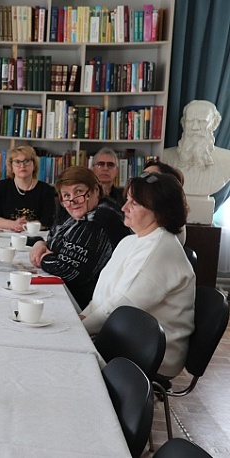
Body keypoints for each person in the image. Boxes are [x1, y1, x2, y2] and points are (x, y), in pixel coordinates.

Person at [80, 172, 195, 378]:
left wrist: (76, 328)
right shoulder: (131, 241)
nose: (124, 208)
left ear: (159, 211)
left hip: (149, 353)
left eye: (135, 203)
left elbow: (120, 308)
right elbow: (102, 297)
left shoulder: (160, 248)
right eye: (127, 200)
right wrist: (81, 318)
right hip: (122, 338)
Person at [29, 167, 131, 309]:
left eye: (79, 192)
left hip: (87, 308)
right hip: (71, 296)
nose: (72, 201)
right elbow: (54, 241)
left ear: (96, 190)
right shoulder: (80, 212)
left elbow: (68, 270)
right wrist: (41, 243)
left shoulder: (101, 219)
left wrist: (43, 258)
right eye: (66, 195)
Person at [162, 100, 230, 223]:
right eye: (190, 121)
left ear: (213, 124)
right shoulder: (165, 157)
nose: (195, 127)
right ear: (183, 123)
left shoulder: (227, 160)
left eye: (202, 122)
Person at [0, 145, 57, 231]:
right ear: (11, 167)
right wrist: (14, 225)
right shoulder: (0, 187)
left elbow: (47, 221)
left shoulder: (46, 190)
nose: (22, 165)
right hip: (4, 234)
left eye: (26, 161)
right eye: (17, 162)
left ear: (34, 165)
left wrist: (27, 226)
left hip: (34, 235)